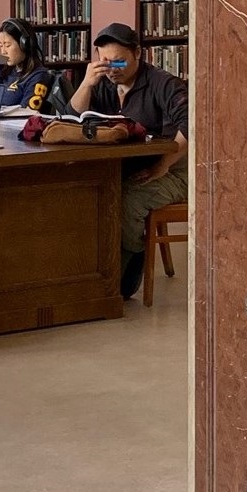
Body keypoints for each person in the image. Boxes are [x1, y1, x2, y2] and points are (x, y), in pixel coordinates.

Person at [71, 23, 189, 299]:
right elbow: (72, 116)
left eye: (120, 61)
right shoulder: (102, 83)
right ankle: (86, 274)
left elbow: (192, 125)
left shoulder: (165, 84)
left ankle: (128, 267)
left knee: (127, 200)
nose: (113, 69)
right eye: (105, 62)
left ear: (138, 53)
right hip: (124, 166)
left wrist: (164, 164)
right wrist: (87, 83)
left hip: (172, 169)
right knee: (86, 193)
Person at [0, 18, 53, 111]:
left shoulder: (39, 76)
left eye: (7, 45)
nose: (3, 51)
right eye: (1, 45)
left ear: (24, 45)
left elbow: (27, 112)